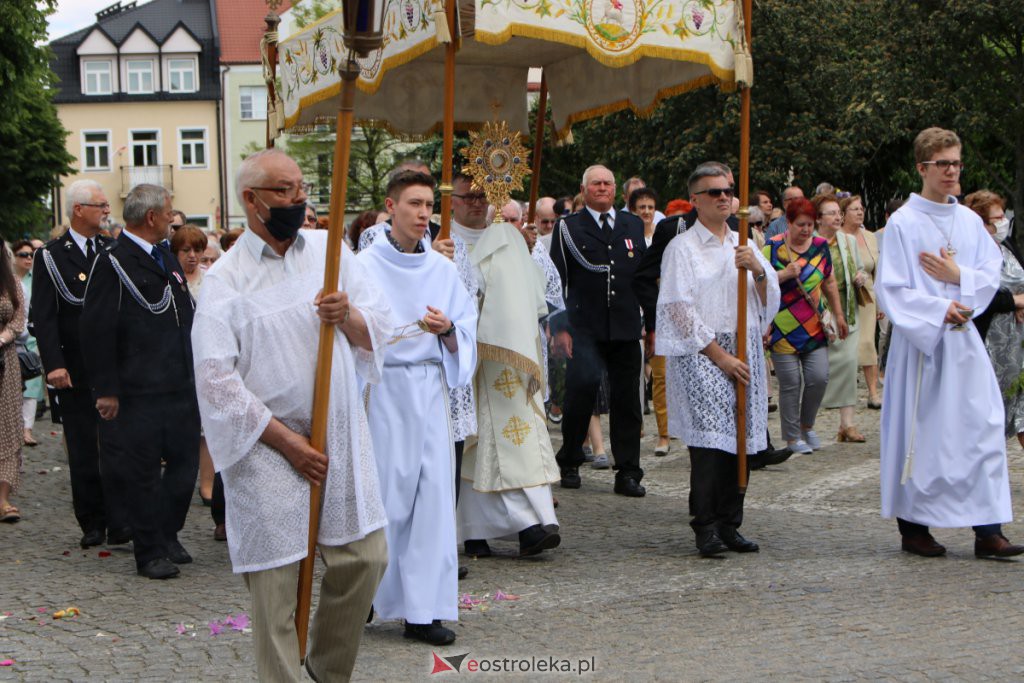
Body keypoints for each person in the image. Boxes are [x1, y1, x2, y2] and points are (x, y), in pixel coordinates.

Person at [193, 149, 390, 679]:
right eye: (283, 190)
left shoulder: (330, 253)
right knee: (277, 588)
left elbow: (381, 329)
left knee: (366, 557)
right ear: (250, 200)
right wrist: (287, 443)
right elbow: (216, 379)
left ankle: (327, 670)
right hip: (267, 446)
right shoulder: (225, 282)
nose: (297, 198)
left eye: (301, 186)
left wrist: (346, 315)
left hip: (336, 432)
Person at [877, 127, 1023, 559]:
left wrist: (959, 281)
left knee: (982, 429)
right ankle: (914, 528)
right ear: (922, 168)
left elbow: (991, 270)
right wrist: (939, 309)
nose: (953, 171)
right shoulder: (904, 222)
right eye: (943, 164)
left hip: (964, 345)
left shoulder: (967, 221)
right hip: (923, 347)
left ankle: (988, 531)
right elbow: (893, 287)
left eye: (957, 163)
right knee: (921, 433)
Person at [358, 170, 477, 646]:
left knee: (431, 500)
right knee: (387, 495)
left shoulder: (443, 270)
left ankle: (422, 611)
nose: (424, 213)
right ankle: (364, 591)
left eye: (429, 204)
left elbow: (466, 328)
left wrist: (447, 328)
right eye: (413, 203)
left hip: (429, 389)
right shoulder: (364, 266)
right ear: (390, 207)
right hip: (385, 390)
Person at [656, 162, 780, 556]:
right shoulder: (683, 247)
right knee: (711, 443)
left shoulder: (743, 243)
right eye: (714, 192)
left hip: (743, 344)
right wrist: (719, 355)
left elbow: (768, 298)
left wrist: (757, 269)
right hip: (703, 350)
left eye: (728, 190)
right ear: (695, 200)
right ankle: (705, 524)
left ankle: (731, 521)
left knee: (740, 436)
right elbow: (678, 308)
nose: (724, 197)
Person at [80, 184, 200, 579]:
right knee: (145, 473)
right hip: (139, 389)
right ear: (151, 217)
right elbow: (96, 330)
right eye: (168, 211)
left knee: (185, 467)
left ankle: (167, 532)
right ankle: (148, 550)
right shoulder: (114, 260)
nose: (172, 216)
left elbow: (184, 314)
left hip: (180, 384)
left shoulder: (166, 256)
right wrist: (107, 390)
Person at [458, 182, 561, 560]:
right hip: (467, 361)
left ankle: (530, 526)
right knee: (474, 442)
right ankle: (475, 532)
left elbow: (540, 293)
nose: (475, 204)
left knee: (516, 440)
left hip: (509, 357)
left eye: (481, 197)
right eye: (466, 197)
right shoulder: (444, 240)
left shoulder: (510, 240)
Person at [30, 180, 128, 548]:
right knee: (84, 447)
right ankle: (92, 520)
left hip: (111, 365)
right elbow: (45, 314)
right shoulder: (52, 255)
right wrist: (53, 363)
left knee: (118, 445)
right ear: (78, 210)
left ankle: (122, 519)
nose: (106, 211)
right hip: (74, 365)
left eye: (106, 205)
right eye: (99, 205)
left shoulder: (112, 248)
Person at [550, 165, 647, 497]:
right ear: (584, 188)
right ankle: (571, 460)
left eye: (607, 183)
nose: (602, 188)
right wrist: (560, 328)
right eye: (596, 184)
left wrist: (650, 324)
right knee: (580, 396)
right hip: (584, 327)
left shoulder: (631, 223)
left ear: (615, 189)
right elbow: (556, 281)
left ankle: (628, 472)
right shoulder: (568, 228)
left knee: (627, 402)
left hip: (624, 326)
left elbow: (642, 277)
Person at [763, 198, 849, 454]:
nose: (806, 230)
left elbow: (829, 282)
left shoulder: (821, 246)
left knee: (818, 378)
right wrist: (783, 275)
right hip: (782, 325)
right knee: (790, 383)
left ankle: (806, 425)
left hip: (814, 324)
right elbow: (760, 283)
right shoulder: (772, 247)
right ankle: (791, 438)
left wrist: (839, 314)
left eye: (810, 225)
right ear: (788, 223)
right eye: (801, 224)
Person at [966, 190, 1024, 448]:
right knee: (991, 413)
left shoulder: (1007, 245)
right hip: (990, 342)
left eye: (1003, 217)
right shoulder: (973, 254)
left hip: (1017, 341)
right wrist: (1016, 302)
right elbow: (982, 296)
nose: (1002, 223)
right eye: (996, 218)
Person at [815, 194, 865, 443]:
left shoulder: (848, 241)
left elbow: (858, 268)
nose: (838, 217)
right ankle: (807, 423)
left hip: (847, 311)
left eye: (839, 213)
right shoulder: (811, 242)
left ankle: (847, 424)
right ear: (819, 218)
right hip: (817, 315)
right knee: (816, 372)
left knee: (848, 364)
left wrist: (860, 278)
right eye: (831, 213)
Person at [629, 187, 669, 456]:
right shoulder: (626, 237)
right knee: (636, 375)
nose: (646, 212)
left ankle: (665, 433)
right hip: (633, 312)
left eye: (650, 207)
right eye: (641, 207)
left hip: (658, 310)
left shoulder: (663, 237)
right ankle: (638, 424)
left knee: (661, 375)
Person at [839, 195, 882, 408]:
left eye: (861, 208)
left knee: (867, 342)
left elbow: (878, 271)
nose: (860, 212)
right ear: (843, 214)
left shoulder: (870, 237)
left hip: (867, 295)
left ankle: (873, 393)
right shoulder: (836, 237)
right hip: (841, 294)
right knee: (844, 344)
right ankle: (843, 394)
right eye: (854, 209)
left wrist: (881, 303)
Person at [0, 242, 25, 523]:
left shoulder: (12, 283)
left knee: (7, 428)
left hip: (5, 361)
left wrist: (2, 339)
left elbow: (18, 321)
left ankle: (3, 499)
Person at [11, 240, 43, 447]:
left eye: (31, 254)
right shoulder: (12, 281)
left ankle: (27, 430)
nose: (28, 258)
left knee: (32, 385)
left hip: (31, 337)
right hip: (13, 340)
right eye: (23, 254)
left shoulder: (37, 279)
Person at [171, 224, 208, 299]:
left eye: (197, 250)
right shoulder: (169, 275)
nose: (192, 255)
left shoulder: (208, 275)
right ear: (176, 251)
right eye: (186, 250)